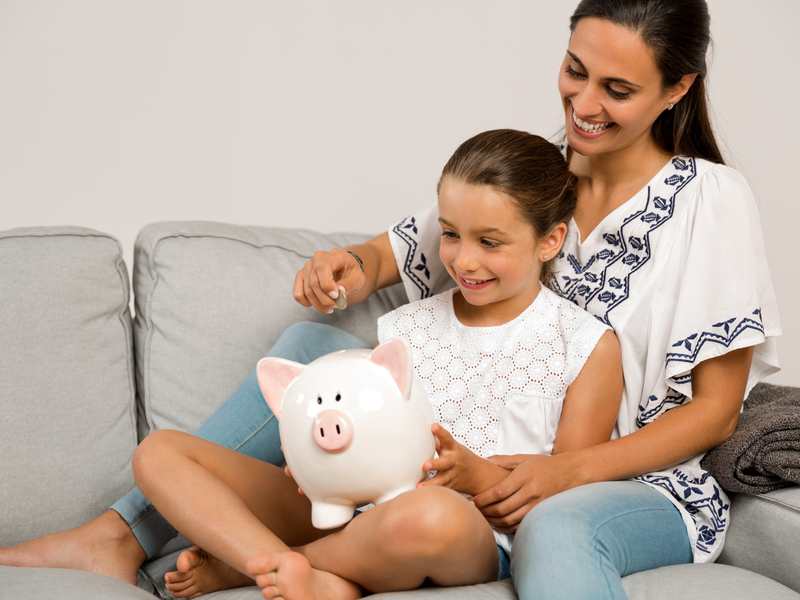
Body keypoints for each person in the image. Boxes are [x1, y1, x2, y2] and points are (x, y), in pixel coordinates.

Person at [0, 1, 781, 599]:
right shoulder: (536, 175)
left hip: (623, 482)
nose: (583, 103)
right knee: (314, 351)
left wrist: (565, 474)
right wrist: (349, 263)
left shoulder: (710, 199)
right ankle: (125, 533)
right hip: (465, 475)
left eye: (617, 89)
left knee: (556, 528)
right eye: (575, 70)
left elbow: (713, 412)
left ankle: (281, 567)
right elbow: (401, 249)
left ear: (677, 87)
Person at [129, 129, 623, 598]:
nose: (464, 260)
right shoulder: (404, 328)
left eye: (489, 242)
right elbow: (352, 427)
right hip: (350, 508)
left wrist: (474, 476)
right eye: (450, 234)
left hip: (469, 531)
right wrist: (314, 458)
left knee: (429, 514)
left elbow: (562, 503)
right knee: (160, 452)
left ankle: (264, 565)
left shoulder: (585, 347)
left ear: (550, 241)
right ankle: (280, 562)